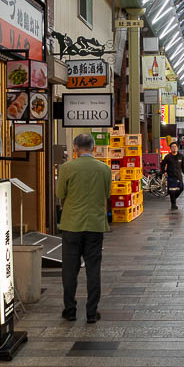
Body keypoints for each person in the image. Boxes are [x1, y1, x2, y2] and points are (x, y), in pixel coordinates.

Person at [55, 133, 111, 323]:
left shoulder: (67, 168)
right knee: (93, 269)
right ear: (93, 148)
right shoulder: (104, 169)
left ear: (75, 148)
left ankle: (70, 310)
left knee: (70, 270)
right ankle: (91, 312)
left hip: (71, 225)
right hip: (95, 225)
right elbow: (107, 193)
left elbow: (60, 193)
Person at [161, 141, 184, 210]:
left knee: (181, 188)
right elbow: (162, 164)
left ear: (177, 148)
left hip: (178, 176)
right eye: (172, 147)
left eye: (175, 147)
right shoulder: (168, 157)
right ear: (170, 148)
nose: (174, 148)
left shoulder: (181, 156)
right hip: (171, 176)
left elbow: (183, 166)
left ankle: (174, 198)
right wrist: (164, 172)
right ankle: (173, 204)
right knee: (172, 190)